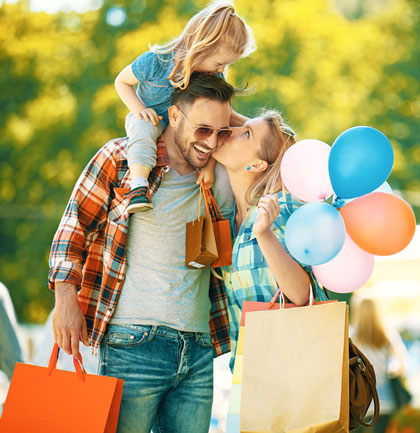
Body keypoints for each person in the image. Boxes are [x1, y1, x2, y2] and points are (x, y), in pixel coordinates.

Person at [49, 72, 236, 433]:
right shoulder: (122, 158)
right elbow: (73, 228)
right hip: (131, 346)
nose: (212, 142)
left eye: (222, 132)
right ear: (175, 116)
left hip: (198, 351)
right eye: (203, 130)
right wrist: (65, 300)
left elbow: (209, 259)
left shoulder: (214, 180)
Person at [209, 110, 329, 370]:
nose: (232, 131)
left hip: (293, 372)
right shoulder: (229, 220)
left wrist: (264, 235)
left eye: (247, 134)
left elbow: (301, 293)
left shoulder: (281, 207)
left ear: (258, 165)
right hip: (248, 374)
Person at [115, 2, 255, 214]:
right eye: (219, 64)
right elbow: (122, 82)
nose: (223, 70)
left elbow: (225, 117)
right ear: (202, 47)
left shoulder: (209, 77)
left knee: (216, 134)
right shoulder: (155, 61)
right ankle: (138, 186)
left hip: (185, 133)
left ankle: (226, 222)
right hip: (150, 119)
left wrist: (259, 128)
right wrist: (139, 109)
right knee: (143, 130)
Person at [352, 297, 409, 433]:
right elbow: (402, 367)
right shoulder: (388, 335)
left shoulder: (351, 337)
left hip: (359, 403)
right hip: (385, 403)